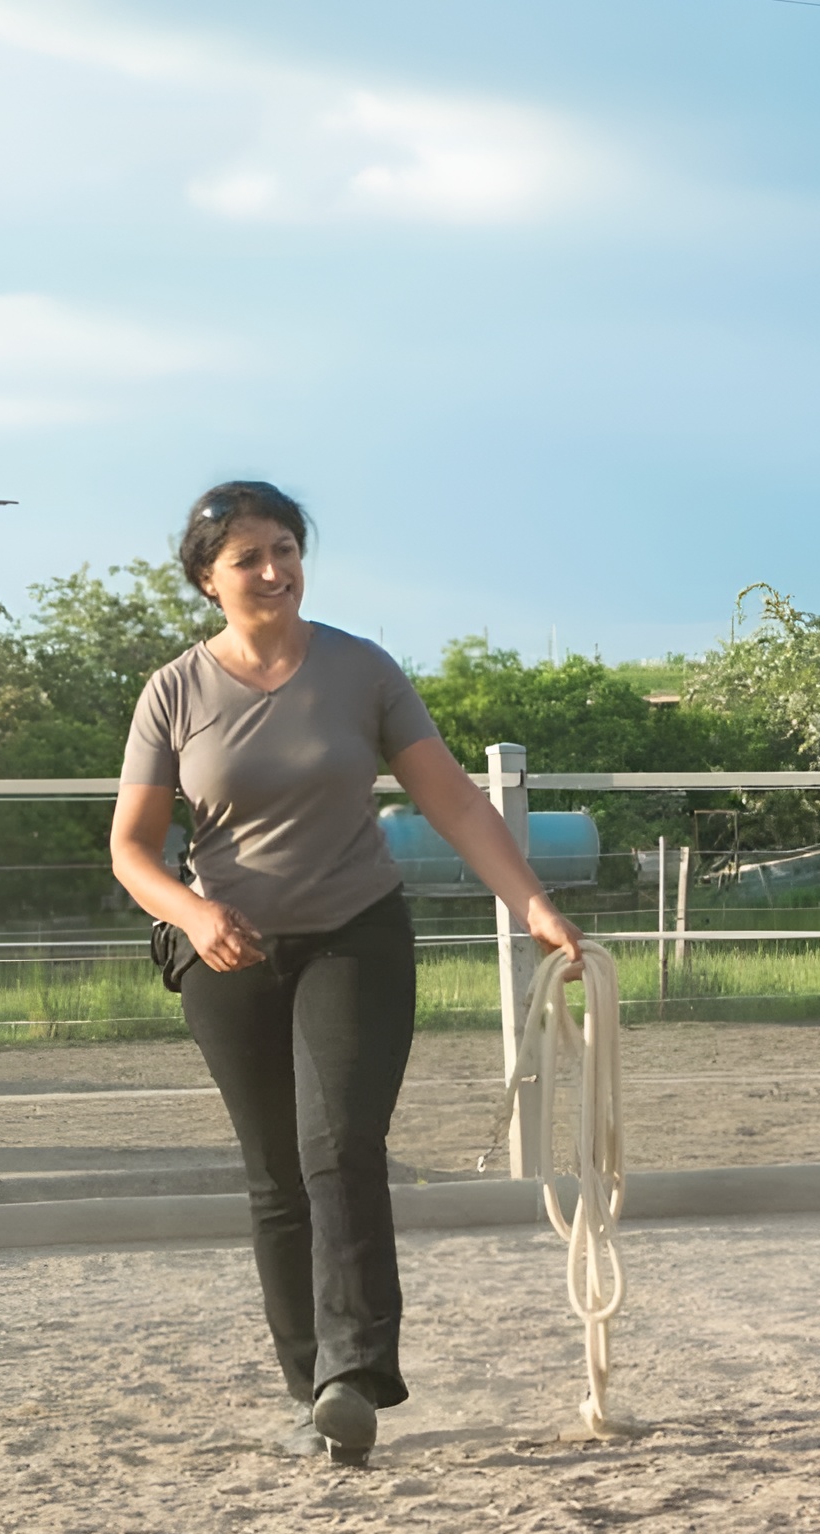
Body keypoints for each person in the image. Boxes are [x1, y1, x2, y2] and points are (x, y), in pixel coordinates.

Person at [110, 480, 582, 1464]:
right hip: (224, 951)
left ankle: (352, 1368)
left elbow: (451, 800)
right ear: (208, 578)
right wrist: (195, 914)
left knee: (340, 1143)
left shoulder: (360, 670)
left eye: (286, 549)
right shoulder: (174, 692)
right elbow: (131, 850)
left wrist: (531, 904)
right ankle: (311, 1390)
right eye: (249, 557)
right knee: (277, 1173)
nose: (275, 571)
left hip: (352, 934)